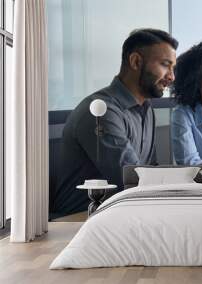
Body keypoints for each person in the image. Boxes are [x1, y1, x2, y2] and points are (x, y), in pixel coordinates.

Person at [54, 29, 178, 216]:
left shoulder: (146, 109)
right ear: (136, 61)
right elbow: (133, 179)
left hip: (121, 214)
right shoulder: (101, 110)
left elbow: (150, 172)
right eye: (165, 65)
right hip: (77, 222)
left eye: (173, 68)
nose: (171, 76)